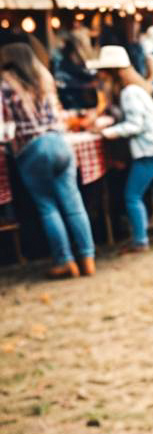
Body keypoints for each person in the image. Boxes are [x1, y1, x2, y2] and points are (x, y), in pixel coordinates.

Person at [0, 43, 96, 278]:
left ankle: (65, 261)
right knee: (74, 205)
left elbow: (4, 128)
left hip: (33, 148)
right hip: (60, 142)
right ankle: (88, 258)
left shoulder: (5, 86)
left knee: (48, 207)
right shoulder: (44, 78)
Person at [84, 45, 153, 254]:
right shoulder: (135, 90)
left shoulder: (129, 93)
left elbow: (135, 125)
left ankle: (140, 240)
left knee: (132, 195)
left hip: (150, 148)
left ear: (111, 72)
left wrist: (107, 132)